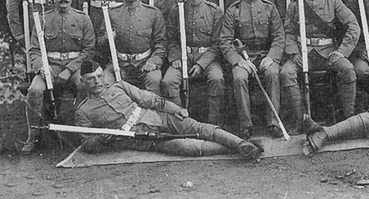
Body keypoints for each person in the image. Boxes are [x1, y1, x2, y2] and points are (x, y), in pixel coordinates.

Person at [76, 60, 262, 159]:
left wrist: (175, 109)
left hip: (158, 117)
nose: (98, 81)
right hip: (144, 139)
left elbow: (149, 99)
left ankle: (240, 144)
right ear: (82, 82)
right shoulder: (83, 111)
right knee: (187, 147)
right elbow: (87, 145)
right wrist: (100, 140)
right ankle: (239, 148)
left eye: (100, 76)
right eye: (91, 78)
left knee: (199, 128)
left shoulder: (118, 86)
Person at [281, 0, 361, 133]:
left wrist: (342, 52)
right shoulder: (296, 4)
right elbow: (287, 31)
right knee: (286, 73)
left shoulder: (332, 2)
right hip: (304, 53)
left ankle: (348, 120)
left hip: (328, 53)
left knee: (347, 69)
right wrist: (293, 52)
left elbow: (353, 25)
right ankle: (301, 119)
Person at [22, 0, 95, 154]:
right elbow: (34, 50)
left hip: (75, 66)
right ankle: (34, 136)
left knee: (85, 86)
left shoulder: (83, 19)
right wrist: (42, 68)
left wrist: (70, 69)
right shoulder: (42, 19)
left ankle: (84, 133)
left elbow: (89, 51)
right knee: (35, 90)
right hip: (50, 65)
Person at [219, 0, 285, 139]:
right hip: (243, 57)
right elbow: (224, 41)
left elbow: (279, 37)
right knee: (239, 77)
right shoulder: (233, 11)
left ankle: (273, 122)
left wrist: (271, 57)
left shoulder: (270, 8)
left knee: (272, 74)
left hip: (265, 55)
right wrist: (238, 61)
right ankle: (245, 125)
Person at [164, 0, 225, 125]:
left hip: (207, 58)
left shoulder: (215, 11)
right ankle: (179, 123)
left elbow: (217, 44)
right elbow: (171, 39)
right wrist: (175, 58)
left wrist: (200, 64)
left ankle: (213, 124)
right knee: (168, 81)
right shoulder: (177, 10)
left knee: (217, 78)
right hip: (182, 56)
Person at [98, 0, 166, 95]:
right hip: (119, 64)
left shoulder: (153, 14)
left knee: (154, 79)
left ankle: (153, 114)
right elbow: (100, 45)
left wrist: (153, 61)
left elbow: (161, 43)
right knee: (105, 82)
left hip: (144, 64)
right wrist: (106, 39)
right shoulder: (111, 14)